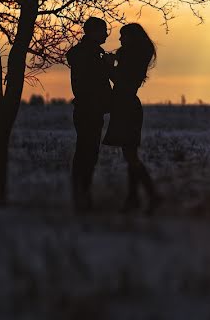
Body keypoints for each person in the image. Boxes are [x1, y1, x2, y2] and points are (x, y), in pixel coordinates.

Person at [102, 23, 161, 213]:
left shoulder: (133, 60)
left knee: (131, 156)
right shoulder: (134, 57)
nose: (119, 40)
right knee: (130, 156)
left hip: (126, 107)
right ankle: (134, 198)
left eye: (122, 36)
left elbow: (122, 81)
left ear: (131, 38)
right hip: (125, 107)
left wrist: (110, 68)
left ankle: (150, 196)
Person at [66, 17, 112, 212]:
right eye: (103, 31)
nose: (106, 35)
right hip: (90, 108)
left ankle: (82, 195)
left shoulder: (85, 54)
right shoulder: (90, 55)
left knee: (85, 152)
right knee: (87, 153)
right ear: (93, 32)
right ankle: (82, 197)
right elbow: (94, 79)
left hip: (89, 108)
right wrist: (108, 66)